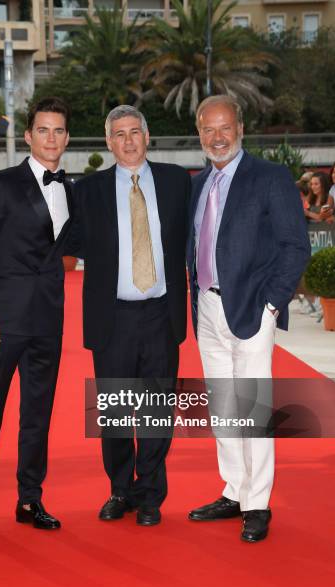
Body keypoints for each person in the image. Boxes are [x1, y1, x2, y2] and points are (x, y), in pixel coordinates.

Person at [186, 95, 310, 542]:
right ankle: (234, 490)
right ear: (199, 133)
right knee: (223, 408)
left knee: (253, 410)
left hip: (252, 310)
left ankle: (257, 502)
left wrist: (272, 306)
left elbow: (296, 246)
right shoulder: (199, 184)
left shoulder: (270, 178)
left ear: (240, 128)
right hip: (207, 309)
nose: (217, 138)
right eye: (208, 130)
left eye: (225, 128)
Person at [0, 97, 74, 540]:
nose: (51, 139)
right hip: (0, 324)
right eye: (43, 130)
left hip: (48, 321)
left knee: (37, 416)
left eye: (59, 131)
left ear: (66, 137)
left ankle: (30, 498)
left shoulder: (70, 187)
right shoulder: (2, 184)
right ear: (29, 136)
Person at [67, 105, 191, 526]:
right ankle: (120, 490)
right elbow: (64, 237)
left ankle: (150, 495)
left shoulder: (177, 182)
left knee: (157, 408)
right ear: (108, 142)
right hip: (112, 317)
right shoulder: (87, 191)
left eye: (134, 131)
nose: (128, 141)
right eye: (118, 134)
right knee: (117, 410)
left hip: (161, 312)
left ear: (147, 135)